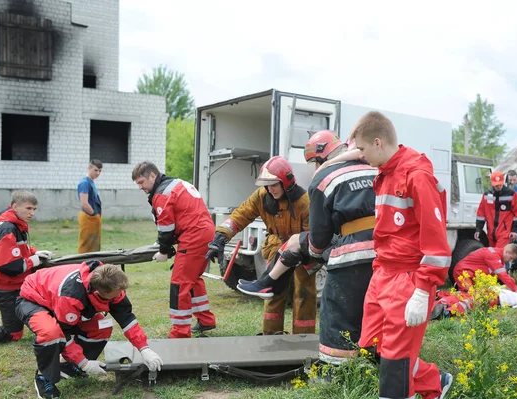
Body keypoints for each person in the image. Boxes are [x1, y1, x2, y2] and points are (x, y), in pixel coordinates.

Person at [238, 131, 376, 364]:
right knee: (368, 310)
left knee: (332, 311)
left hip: (347, 250)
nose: (314, 168)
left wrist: (309, 253)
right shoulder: (374, 167)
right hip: (383, 250)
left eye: (315, 162)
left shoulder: (323, 180)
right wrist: (222, 235)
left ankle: (336, 368)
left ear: (322, 158)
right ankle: (268, 283)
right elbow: (241, 214)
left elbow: (319, 237)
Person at [351, 111, 452, 399]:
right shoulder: (385, 172)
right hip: (383, 272)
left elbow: (436, 242)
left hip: (407, 278)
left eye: (362, 149)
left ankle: (418, 387)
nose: (359, 155)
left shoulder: (416, 176)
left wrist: (422, 290)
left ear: (378, 143)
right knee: (372, 347)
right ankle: (435, 380)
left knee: (396, 362)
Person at [16, 261, 163, 399]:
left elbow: (127, 319)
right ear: (100, 295)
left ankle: (68, 366)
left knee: (102, 327)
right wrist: (85, 364)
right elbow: (64, 334)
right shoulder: (72, 296)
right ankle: (44, 378)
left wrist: (144, 349)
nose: (120, 297)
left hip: (58, 301)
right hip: (33, 300)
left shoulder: (110, 286)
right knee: (52, 333)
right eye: (116, 295)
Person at [206, 156, 317, 335]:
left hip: (302, 251)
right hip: (276, 247)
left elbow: (311, 235)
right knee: (272, 292)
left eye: (274, 184)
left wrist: (299, 253)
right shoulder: (262, 196)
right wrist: (221, 235)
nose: (270, 189)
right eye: (267, 185)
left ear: (286, 182)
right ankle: (271, 336)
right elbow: (241, 214)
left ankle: (303, 338)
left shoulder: (304, 202)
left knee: (304, 293)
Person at [132, 161, 216, 338]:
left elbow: (166, 227)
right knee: (193, 279)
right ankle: (206, 320)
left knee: (180, 283)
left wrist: (163, 250)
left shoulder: (162, 194)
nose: (140, 187)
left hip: (194, 236)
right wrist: (164, 244)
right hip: (206, 232)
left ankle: (179, 333)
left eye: (141, 182)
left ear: (153, 176)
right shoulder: (176, 183)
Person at [0, 191, 53, 343]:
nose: (32, 213)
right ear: (15, 207)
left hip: (18, 285)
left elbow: (19, 249)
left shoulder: (16, 223)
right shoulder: (8, 228)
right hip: (6, 288)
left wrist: (34, 252)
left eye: (34, 209)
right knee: (12, 335)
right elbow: (8, 265)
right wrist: (34, 261)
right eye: (28, 208)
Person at [475, 171, 517, 249]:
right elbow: (481, 213)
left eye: (500, 184)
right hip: (490, 233)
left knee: (499, 255)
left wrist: (514, 230)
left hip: (504, 233)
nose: (498, 187)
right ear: (492, 183)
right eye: (496, 185)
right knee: (492, 255)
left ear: (503, 181)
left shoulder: (512, 194)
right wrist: (478, 229)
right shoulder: (487, 195)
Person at [452, 243, 517, 293]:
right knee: (469, 297)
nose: (510, 261)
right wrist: (515, 289)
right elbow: (502, 275)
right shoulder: (493, 256)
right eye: (511, 258)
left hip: (471, 274)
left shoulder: (498, 258)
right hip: (463, 272)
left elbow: (504, 276)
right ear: (507, 252)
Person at [77, 160, 103, 254]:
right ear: (89, 168)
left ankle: (93, 266)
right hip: (88, 217)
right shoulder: (84, 183)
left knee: (94, 246)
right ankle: (82, 266)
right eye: (95, 170)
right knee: (86, 246)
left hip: (93, 218)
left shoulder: (91, 182)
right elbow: (84, 203)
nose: (98, 173)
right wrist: (93, 214)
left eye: (100, 171)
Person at [506, 170, 517, 270]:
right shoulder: (505, 189)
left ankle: (516, 265)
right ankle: (508, 266)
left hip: (516, 220)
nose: (512, 181)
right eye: (510, 179)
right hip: (508, 221)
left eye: (514, 179)